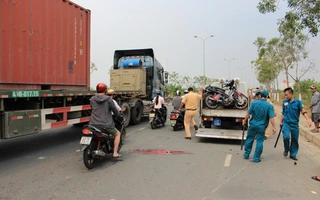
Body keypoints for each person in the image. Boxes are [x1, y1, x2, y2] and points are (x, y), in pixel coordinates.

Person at [89, 83, 122, 158]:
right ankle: (115, 153)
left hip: (93, 124)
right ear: (105, 90)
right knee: (117, 134)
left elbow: (92, 109)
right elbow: (115, 110)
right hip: (106, 124)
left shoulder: (92, 99)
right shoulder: (109, 99)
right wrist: (119, 116)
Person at [242, 90, 276, 163]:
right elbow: (271, 118)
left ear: (260, 96)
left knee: (249, 139)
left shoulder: (254, 103)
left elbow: (248, 113)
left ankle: (246, 154)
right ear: (267, 97)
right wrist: (274, 127)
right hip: (261, 127)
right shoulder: (269, 106)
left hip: (253, 125)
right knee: (259, 141)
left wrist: (244, 120)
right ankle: (256, 158)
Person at [280, 87, 312, 161]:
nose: (286, 96)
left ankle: (293, 154)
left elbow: (303, 111)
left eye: (286, 95)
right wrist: (281, 121)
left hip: (294, 124)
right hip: (286, 123)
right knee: (286, 137)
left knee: (295, 140)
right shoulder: (284, 102)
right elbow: (283, 112)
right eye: (285, 95)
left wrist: (308, 119)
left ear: (291, 94)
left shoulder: (298, 102)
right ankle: (286, 149)